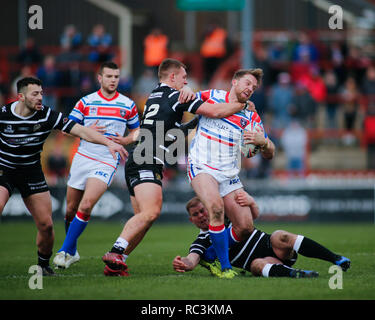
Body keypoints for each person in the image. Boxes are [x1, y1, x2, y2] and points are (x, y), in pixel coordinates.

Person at [101, 58, 248, 276]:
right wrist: (241, 105)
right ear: (173, 77)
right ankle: (115, 251)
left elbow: (170, 129)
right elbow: (216, 112)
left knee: (144, 220)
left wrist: (194, 120)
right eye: (184, 77)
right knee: (151, 212)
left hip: (139, 159)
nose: (186, 81)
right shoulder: (176, 96)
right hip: (146, 160)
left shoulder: (154, 96)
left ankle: (117, 262)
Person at [0, 77, 127, 276]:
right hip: (4, 170)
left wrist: (108, 142)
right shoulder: (3, 115)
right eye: (35, 94)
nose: (41, 97)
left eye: (42, 93)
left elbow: (81, 131)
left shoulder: (47, 115)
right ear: (21, 97)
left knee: (47, 225)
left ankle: (43, 266)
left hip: (31, 172)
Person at [187, 69, 275, 278]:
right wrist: (185, 88)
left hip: (228, 174)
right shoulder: (213, 95)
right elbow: (186, 98)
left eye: (253, 88)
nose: (250, 89)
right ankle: (225, 266)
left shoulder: (251, 116)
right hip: (202, 166)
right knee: (216, 207)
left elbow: (270, 152)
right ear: (234, 82)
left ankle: (209, 255)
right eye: (247, 83)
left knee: (245, 226)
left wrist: (263, 143)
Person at [53, 62, 140, 269]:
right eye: (109, 76)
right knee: (70, 209)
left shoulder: (127, 104)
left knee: (86, 205)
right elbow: (66, 130)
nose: (113, 80)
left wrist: (126, 140)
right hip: (83, 157)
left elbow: (138, 132)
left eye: (116, 76)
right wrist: (84, 129)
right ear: (99, 78)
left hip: (107, 160)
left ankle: (64, 251)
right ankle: (72, 251)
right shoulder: (85, 102)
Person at [172, 195, 351, 278]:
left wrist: (251, 202)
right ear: (191, 220)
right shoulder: (201, 241)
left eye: (202, 210)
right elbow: (192, 258)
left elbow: (253, 217)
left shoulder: (227, 216)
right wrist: (184, 264)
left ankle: (335, 259)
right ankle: (298, 274)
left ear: (209, 207)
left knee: (280, 235)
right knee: (257, 266)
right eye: (196, 215)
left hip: (270, 245)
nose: (201, 216)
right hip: (259, 261)